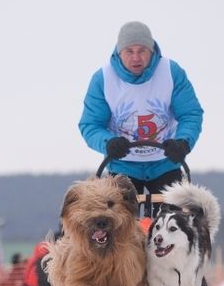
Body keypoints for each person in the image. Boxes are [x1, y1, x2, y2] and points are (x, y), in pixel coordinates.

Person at [79, 21, 203, 199]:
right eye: (129, 51)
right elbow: (91, 124)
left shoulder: (171, 72)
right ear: (119, 52)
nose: (136, 58)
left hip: (166, 163)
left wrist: (183, 142)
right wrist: (108, 143)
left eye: (142, 51)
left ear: (151, 51)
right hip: (123, 167)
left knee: (172, 221)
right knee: (119, 221)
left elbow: (190, 114)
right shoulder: (103, 79)